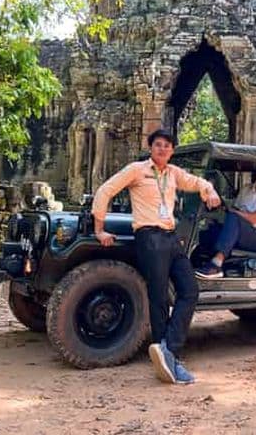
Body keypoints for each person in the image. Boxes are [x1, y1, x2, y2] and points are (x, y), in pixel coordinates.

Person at [91, 129, 221, 385]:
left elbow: (196, 182)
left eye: (168, 146)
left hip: (171, 237)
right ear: (151, 148)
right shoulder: (137, 170)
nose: (163, 149)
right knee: (159, 297)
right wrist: (99, 229)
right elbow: (105, 190)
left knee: (189, 290)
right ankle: (169, 356)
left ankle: (167, 348)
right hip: (149, 236)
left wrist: (209, 191)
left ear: (172, 151)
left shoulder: (173, 174)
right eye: (158, 145)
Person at [195, 163, 256, 279]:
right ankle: (196, 261)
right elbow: (235, 208)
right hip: (240, 231)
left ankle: (216, 265)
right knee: (212, 227)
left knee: (234, 218)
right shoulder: (246, 189)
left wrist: (234, 213)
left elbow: (255, 218)